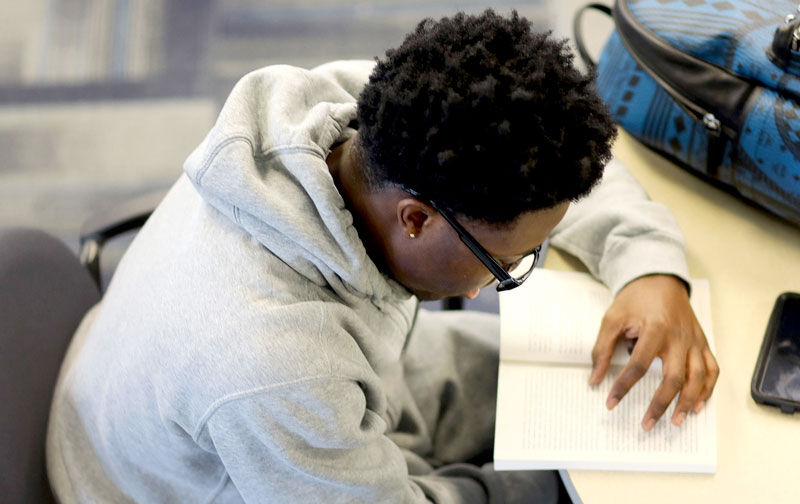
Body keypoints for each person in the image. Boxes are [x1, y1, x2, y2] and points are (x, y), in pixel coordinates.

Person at [47, 10, 718, 504]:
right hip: (183, 479)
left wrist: (649, 268)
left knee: (562, 374)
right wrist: (564, 485)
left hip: (274, 388)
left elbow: (563, 171)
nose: (503, 277)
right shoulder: (275, 364)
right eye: (508, 261)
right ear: (418, 219)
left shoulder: (361, 114)